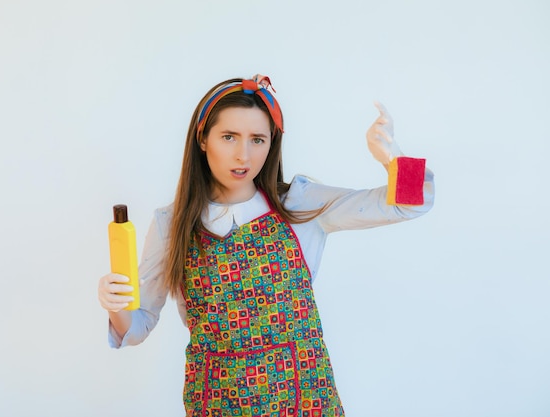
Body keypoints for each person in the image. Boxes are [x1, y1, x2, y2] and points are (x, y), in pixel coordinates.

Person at [98, 74, 435, 417]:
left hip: (304, 400)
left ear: (271, 143)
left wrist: (391, 156)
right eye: (228, 137)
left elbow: (411, 205)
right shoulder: (172, 224)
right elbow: (137, 327)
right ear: (202, 139)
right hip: (216, 402)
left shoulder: (300, 206)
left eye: (257, 139)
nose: (243, 155)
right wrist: (115, 306)